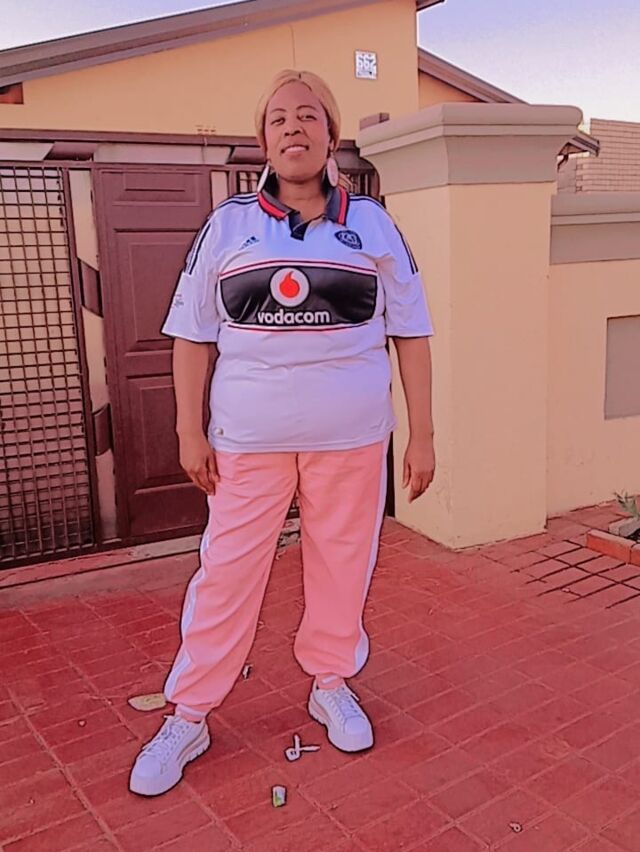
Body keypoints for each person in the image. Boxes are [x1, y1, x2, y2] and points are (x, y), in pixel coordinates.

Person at [129, 69, 435, 797]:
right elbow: (192, 334)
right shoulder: (229, 226)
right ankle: (190, 712)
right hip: (246, 442)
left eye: (308, 115)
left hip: (353, 439)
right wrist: (189, 430)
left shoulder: (374, 226)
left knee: (343, 565)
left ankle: (330, 682)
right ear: (263, 140)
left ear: (331, 134)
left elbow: (412, 331)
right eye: (278, 119)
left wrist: (423, 435)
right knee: (227, 575)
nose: (293, 127)